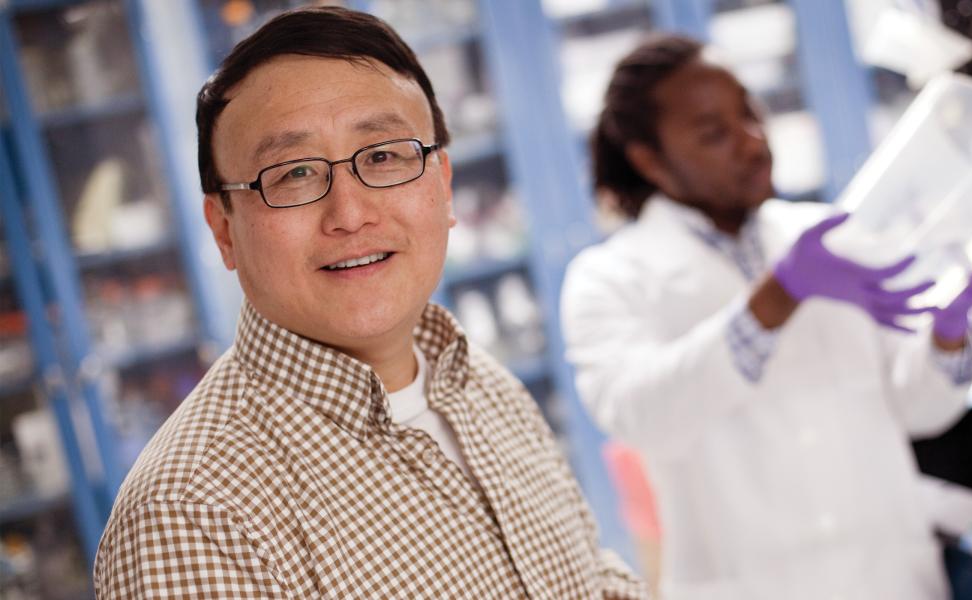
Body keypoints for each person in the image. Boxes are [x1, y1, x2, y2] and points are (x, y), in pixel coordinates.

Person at [93, 8, 646, 599]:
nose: (351, 214)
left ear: (443, 184)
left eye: (383, 156)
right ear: (224, 230)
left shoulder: (477, 384)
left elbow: (590, 581)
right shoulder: (190, 516)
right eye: (295, 173)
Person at [561, 34, 972, 600]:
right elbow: (643, 414)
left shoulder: (829, 236)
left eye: (750, 114)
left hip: (889, 579)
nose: (752, 142)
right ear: (649, 160)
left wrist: (948, 333)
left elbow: (920, 410)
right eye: (714, 133)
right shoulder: (607, 278)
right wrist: (780, 294)